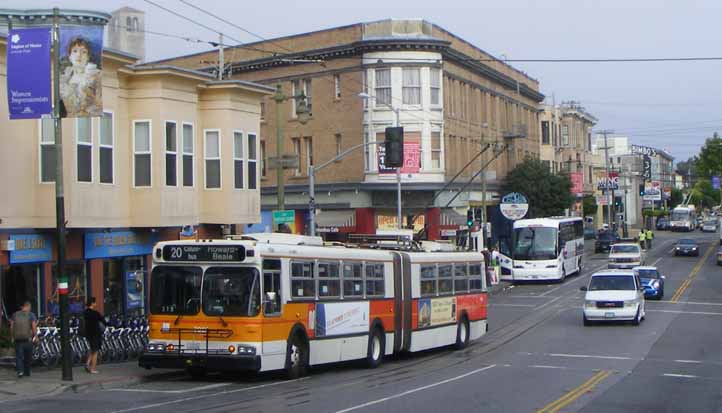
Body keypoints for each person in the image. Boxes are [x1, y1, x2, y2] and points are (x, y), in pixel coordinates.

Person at [10, 301, 37, 378]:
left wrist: (12, 336)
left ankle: (20, 372)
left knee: (19, 356)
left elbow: (11, 327)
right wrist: (35, 336)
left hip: (18, 339)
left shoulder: (15, 314)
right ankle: (27, 372)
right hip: (28, 339)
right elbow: (33, 326)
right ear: (28, 306)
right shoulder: (31, 315)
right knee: (28, 356)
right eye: (30, 307)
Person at [83, 297, 105, 374]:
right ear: (92, 303)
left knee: (92, 349)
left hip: (88, 334)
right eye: (95, 302)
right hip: (95, 333)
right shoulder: (95, 313)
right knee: (95, 351)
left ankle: (87, 364)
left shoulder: (85, 312)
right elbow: (103, 320)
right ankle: (93, 368)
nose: (96, 303)